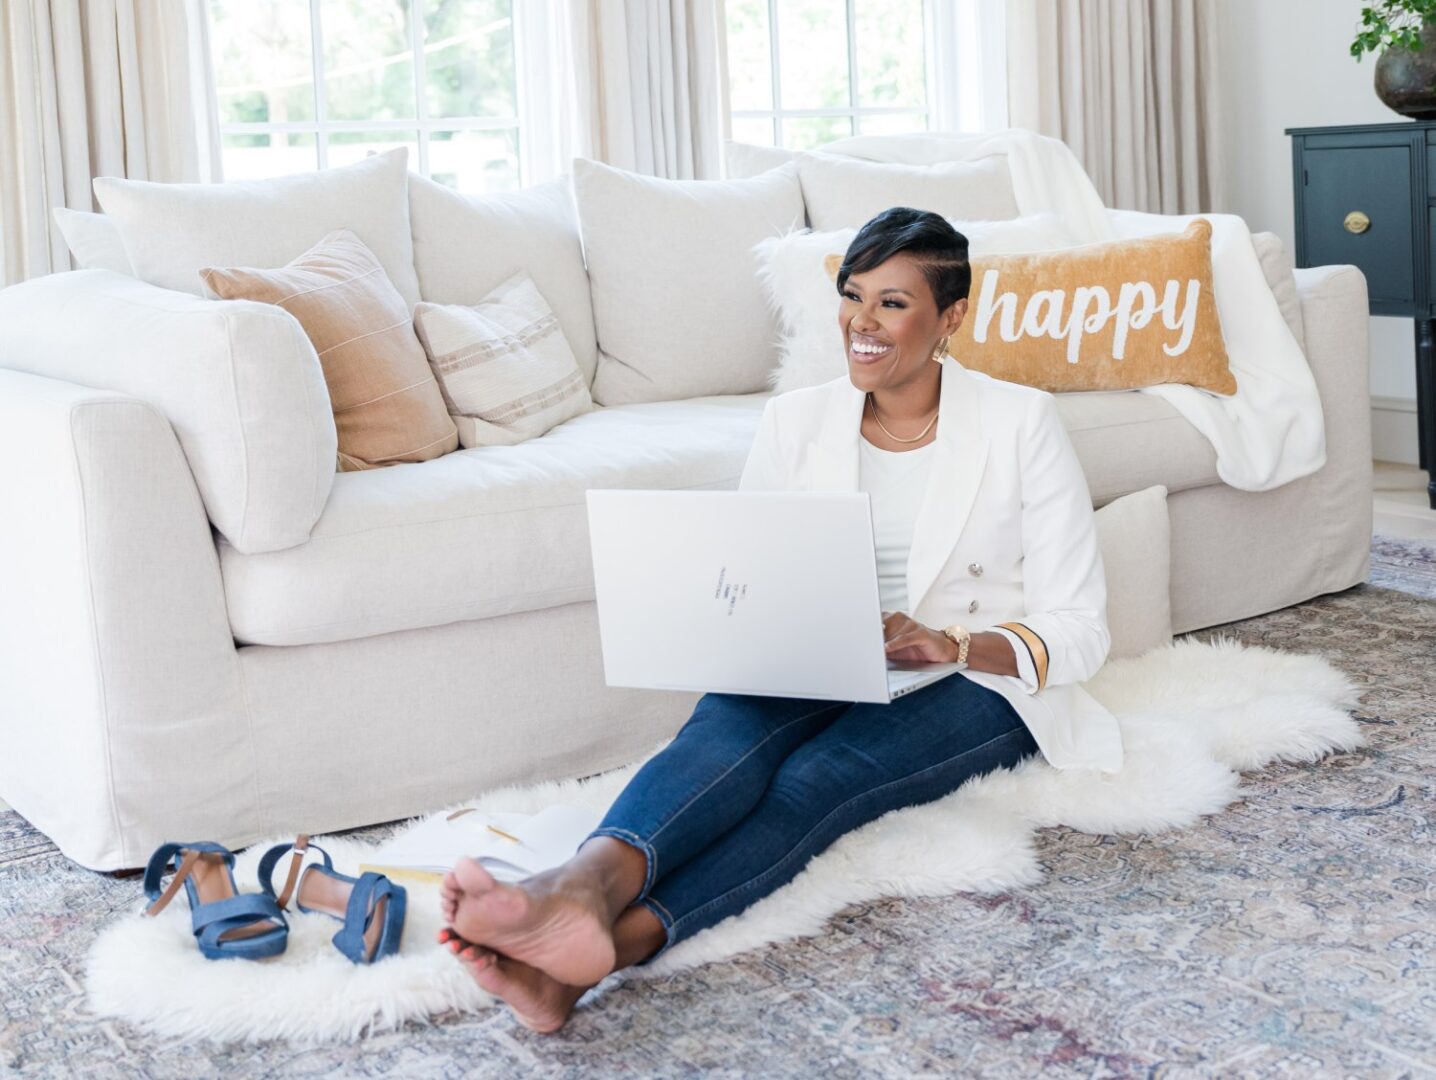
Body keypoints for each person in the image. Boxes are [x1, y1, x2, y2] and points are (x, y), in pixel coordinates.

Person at [435, 207, 1124, 1032]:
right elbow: (751, 571)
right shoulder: (796, 421)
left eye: (893, 303)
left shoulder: (1021, 421)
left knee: (817, 782)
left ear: (952, 318)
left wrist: (953, 641)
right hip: (825, 649)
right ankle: (582, 885)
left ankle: (596, 962)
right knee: (720, 736)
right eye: (853, 296)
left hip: (978, 679)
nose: (862, 324)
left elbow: (1081, 624)